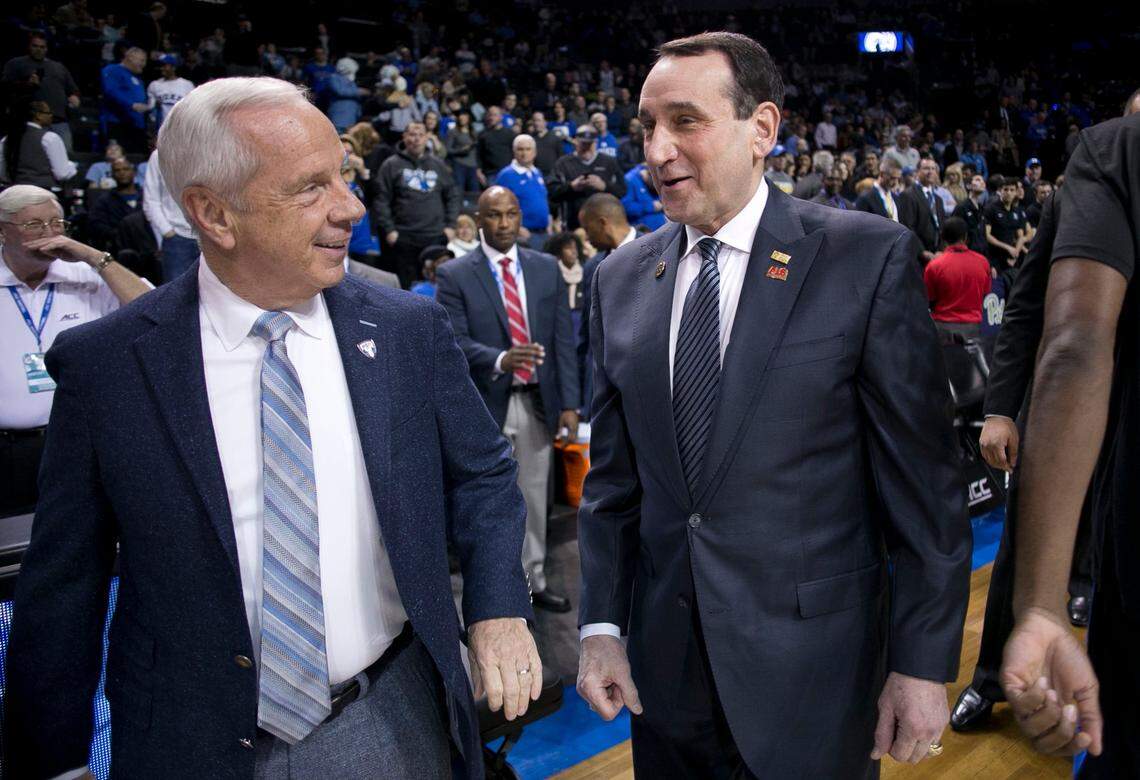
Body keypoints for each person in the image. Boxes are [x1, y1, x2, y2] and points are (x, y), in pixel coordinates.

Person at [4, 77, 541, 779]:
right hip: (187, 741)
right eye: (311, 188)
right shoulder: (108, 368)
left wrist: (498, 606)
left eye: (344, 177)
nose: (350, 208)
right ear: (214, 214)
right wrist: (55, 761)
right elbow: (63, 582)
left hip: (389, 720)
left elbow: (483, 473)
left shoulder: (406, 329)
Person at [577, 33, 970, 777]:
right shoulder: (618, 279)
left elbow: (926, 488)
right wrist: (600, 625)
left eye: (685, 121)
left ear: (763, 128)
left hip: (817, 680)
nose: (658, 151)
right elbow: (612, 489)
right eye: (647, 126)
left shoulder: (866, 258)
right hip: (666, 688)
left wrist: (921, 664)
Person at [1000, 112, 1140, 775]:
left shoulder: (1116, 150)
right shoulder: (1099, 169)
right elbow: (1035, 314)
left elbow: (1075, 344)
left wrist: (1041, 604)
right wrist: (1003, 409)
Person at [949, 190, 1097, 734]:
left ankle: (1082, 584)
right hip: (1063, 398)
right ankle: (989, 679)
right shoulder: (1080, 200)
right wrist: (1000, 410)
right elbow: (1025, 309)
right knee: (1025, 542)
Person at [435, 186, 580, 613]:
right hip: (483, 401)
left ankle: (533, 582)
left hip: (536, 400)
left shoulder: (545, 268)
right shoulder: (455, 274)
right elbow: (452, 342)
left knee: (535, 498)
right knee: (484, 500)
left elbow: (561, 341)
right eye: (494, 216)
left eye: (511, 215)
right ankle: (493, 593)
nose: (504, 224)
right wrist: (500, 357)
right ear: (479, 220)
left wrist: (569, 402)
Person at [0, 185, 151, 517]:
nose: (50, 234)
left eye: (57, 223)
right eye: (34, 225)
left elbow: (154, 313)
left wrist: (94, 257)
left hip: (81, 443)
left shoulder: (87, 276)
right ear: (2, 230)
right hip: (9, 451)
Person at [373, 122, 459, 288]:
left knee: (437, 287)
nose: (416, 139)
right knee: (406, 289)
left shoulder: (438, 164)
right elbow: (381, 199)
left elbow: (453, 195)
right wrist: (389, 230)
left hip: (435, 235)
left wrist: (451, 226)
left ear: (427, 138)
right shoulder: (391, 164)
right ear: (404, 137)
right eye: (412, 134)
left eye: (420, 134)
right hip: (404, 237)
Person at [2, 33, 81, 150]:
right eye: (35, 46)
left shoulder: (58, 67)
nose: (39, 49)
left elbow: (72, 90)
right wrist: (26, 84)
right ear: (29, 46)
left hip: (59, 121)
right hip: (31, 121)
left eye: (42, 47)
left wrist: (74, 97)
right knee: (33, 157)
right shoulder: (16, 63)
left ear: (47, 49)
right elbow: (5, 87)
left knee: (65, 156)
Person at [923, 217, 991, 341]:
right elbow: (985, 292)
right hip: (972, 329)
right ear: (966, 237)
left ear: (943, 238)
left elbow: (929, 298)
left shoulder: (934, 265)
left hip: (942, 329)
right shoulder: (983, 262)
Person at [548, 125, 627, 231]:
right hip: (573, 226)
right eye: (583, 144)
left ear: (596, 142)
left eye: (590, 144)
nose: (587, 148)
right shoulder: (563, 163)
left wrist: (604, 186)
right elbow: (552, 193)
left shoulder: (609, 162)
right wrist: (571, 186)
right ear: (576, 141)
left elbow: (622, 191)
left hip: (605, 225)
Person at [143, 148, 201, 281]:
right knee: (177, 297)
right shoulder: (160, 155)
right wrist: (166, 231)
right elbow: (151, 200)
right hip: (177, 238)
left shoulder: (212, 151)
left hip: (211, 237)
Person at [0, 100, 77, 188]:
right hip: (40, 194)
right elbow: (62, 174)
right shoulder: (49, 138)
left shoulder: (6, 139)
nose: (51, 115)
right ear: (38, 115)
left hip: (12, 193)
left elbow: (2, 173)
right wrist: (71, 165)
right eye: (48, 112)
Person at [494, 134, 551, 249]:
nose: (524, 153)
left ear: (534, 152)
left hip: (544, 233)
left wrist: (549, 222)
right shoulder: (506, 175)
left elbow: (543, 200)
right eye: (520, 149)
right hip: (523, 236)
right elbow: (498, 207)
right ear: (514, 152)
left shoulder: (537, 173)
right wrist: (517, 228)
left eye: (528, 149)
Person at [898, 157, 947, 264]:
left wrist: (941, 250)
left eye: (933, 169)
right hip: (918, 257)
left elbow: (943, 226)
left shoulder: (938, 199)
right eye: (926, 168)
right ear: (917, 172)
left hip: (938, 256)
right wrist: (922, 251)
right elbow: (908, 227)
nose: (930, 172)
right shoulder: (908, 195)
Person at [100, 47, 149, 153]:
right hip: (117, 123)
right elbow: (111, 91)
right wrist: (131, 105)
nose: (144, 64)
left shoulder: (138, 78)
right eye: (142, 60)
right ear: (130, 58)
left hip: (135, 126)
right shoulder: (113, 70)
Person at [87, 157, 143, 249]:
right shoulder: (104, 201)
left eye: (126, 169)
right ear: (112, 175)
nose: (122, 173)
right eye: (117, 170)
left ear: (134, 172)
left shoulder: (147, 197)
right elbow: (96, 225)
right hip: (118, 247)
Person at [984, 176, 1029, 274]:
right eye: (1006, 189)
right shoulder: (991, 209)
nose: (1008, 193)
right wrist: (1008, 248)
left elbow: (1020, 236)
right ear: (1000, 191)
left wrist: (1016, 252)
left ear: (1016, 192)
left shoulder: (1017, 211)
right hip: (995, 258)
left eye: (1012, 190)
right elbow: (987, 235)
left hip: (1013, 259)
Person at [146, 55, 194, 129]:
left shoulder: (187, 84)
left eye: (165, 66)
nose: (162, 68)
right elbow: (150, 108)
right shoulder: (154, 85)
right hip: (161, 128)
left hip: (181, 128)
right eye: (161, 66)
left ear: (173, 67)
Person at [476, 105, 516, 188]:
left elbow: (515, 152)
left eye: (495, 115)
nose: (491, 117)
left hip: (508, 173)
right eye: (490, 115)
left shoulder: (510, 134)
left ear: (501, 117)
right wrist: (479, 171)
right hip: (491, 174)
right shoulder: (483, 135)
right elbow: (479, 154)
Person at [621, 162, 668, 230]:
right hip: (643, 231)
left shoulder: (655, 177)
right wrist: (651, 206)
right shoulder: (630, 180)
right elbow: (626, 208)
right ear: (647, 174)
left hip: (663, 227)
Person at [854, 156, 902, 220]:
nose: (896, 182)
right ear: (882, 174)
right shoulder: (865, 198)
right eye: (892, 178)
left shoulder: (896, 198)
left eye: (898, 179)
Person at [953, 173, 989, 256]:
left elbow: (983, 235)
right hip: (966, 255)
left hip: (981, 255)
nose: (983, 183)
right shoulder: (961, 207)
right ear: (969, 186)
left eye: (983, 180)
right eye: (977, 180)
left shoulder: (982, 208)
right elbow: (955, 233)